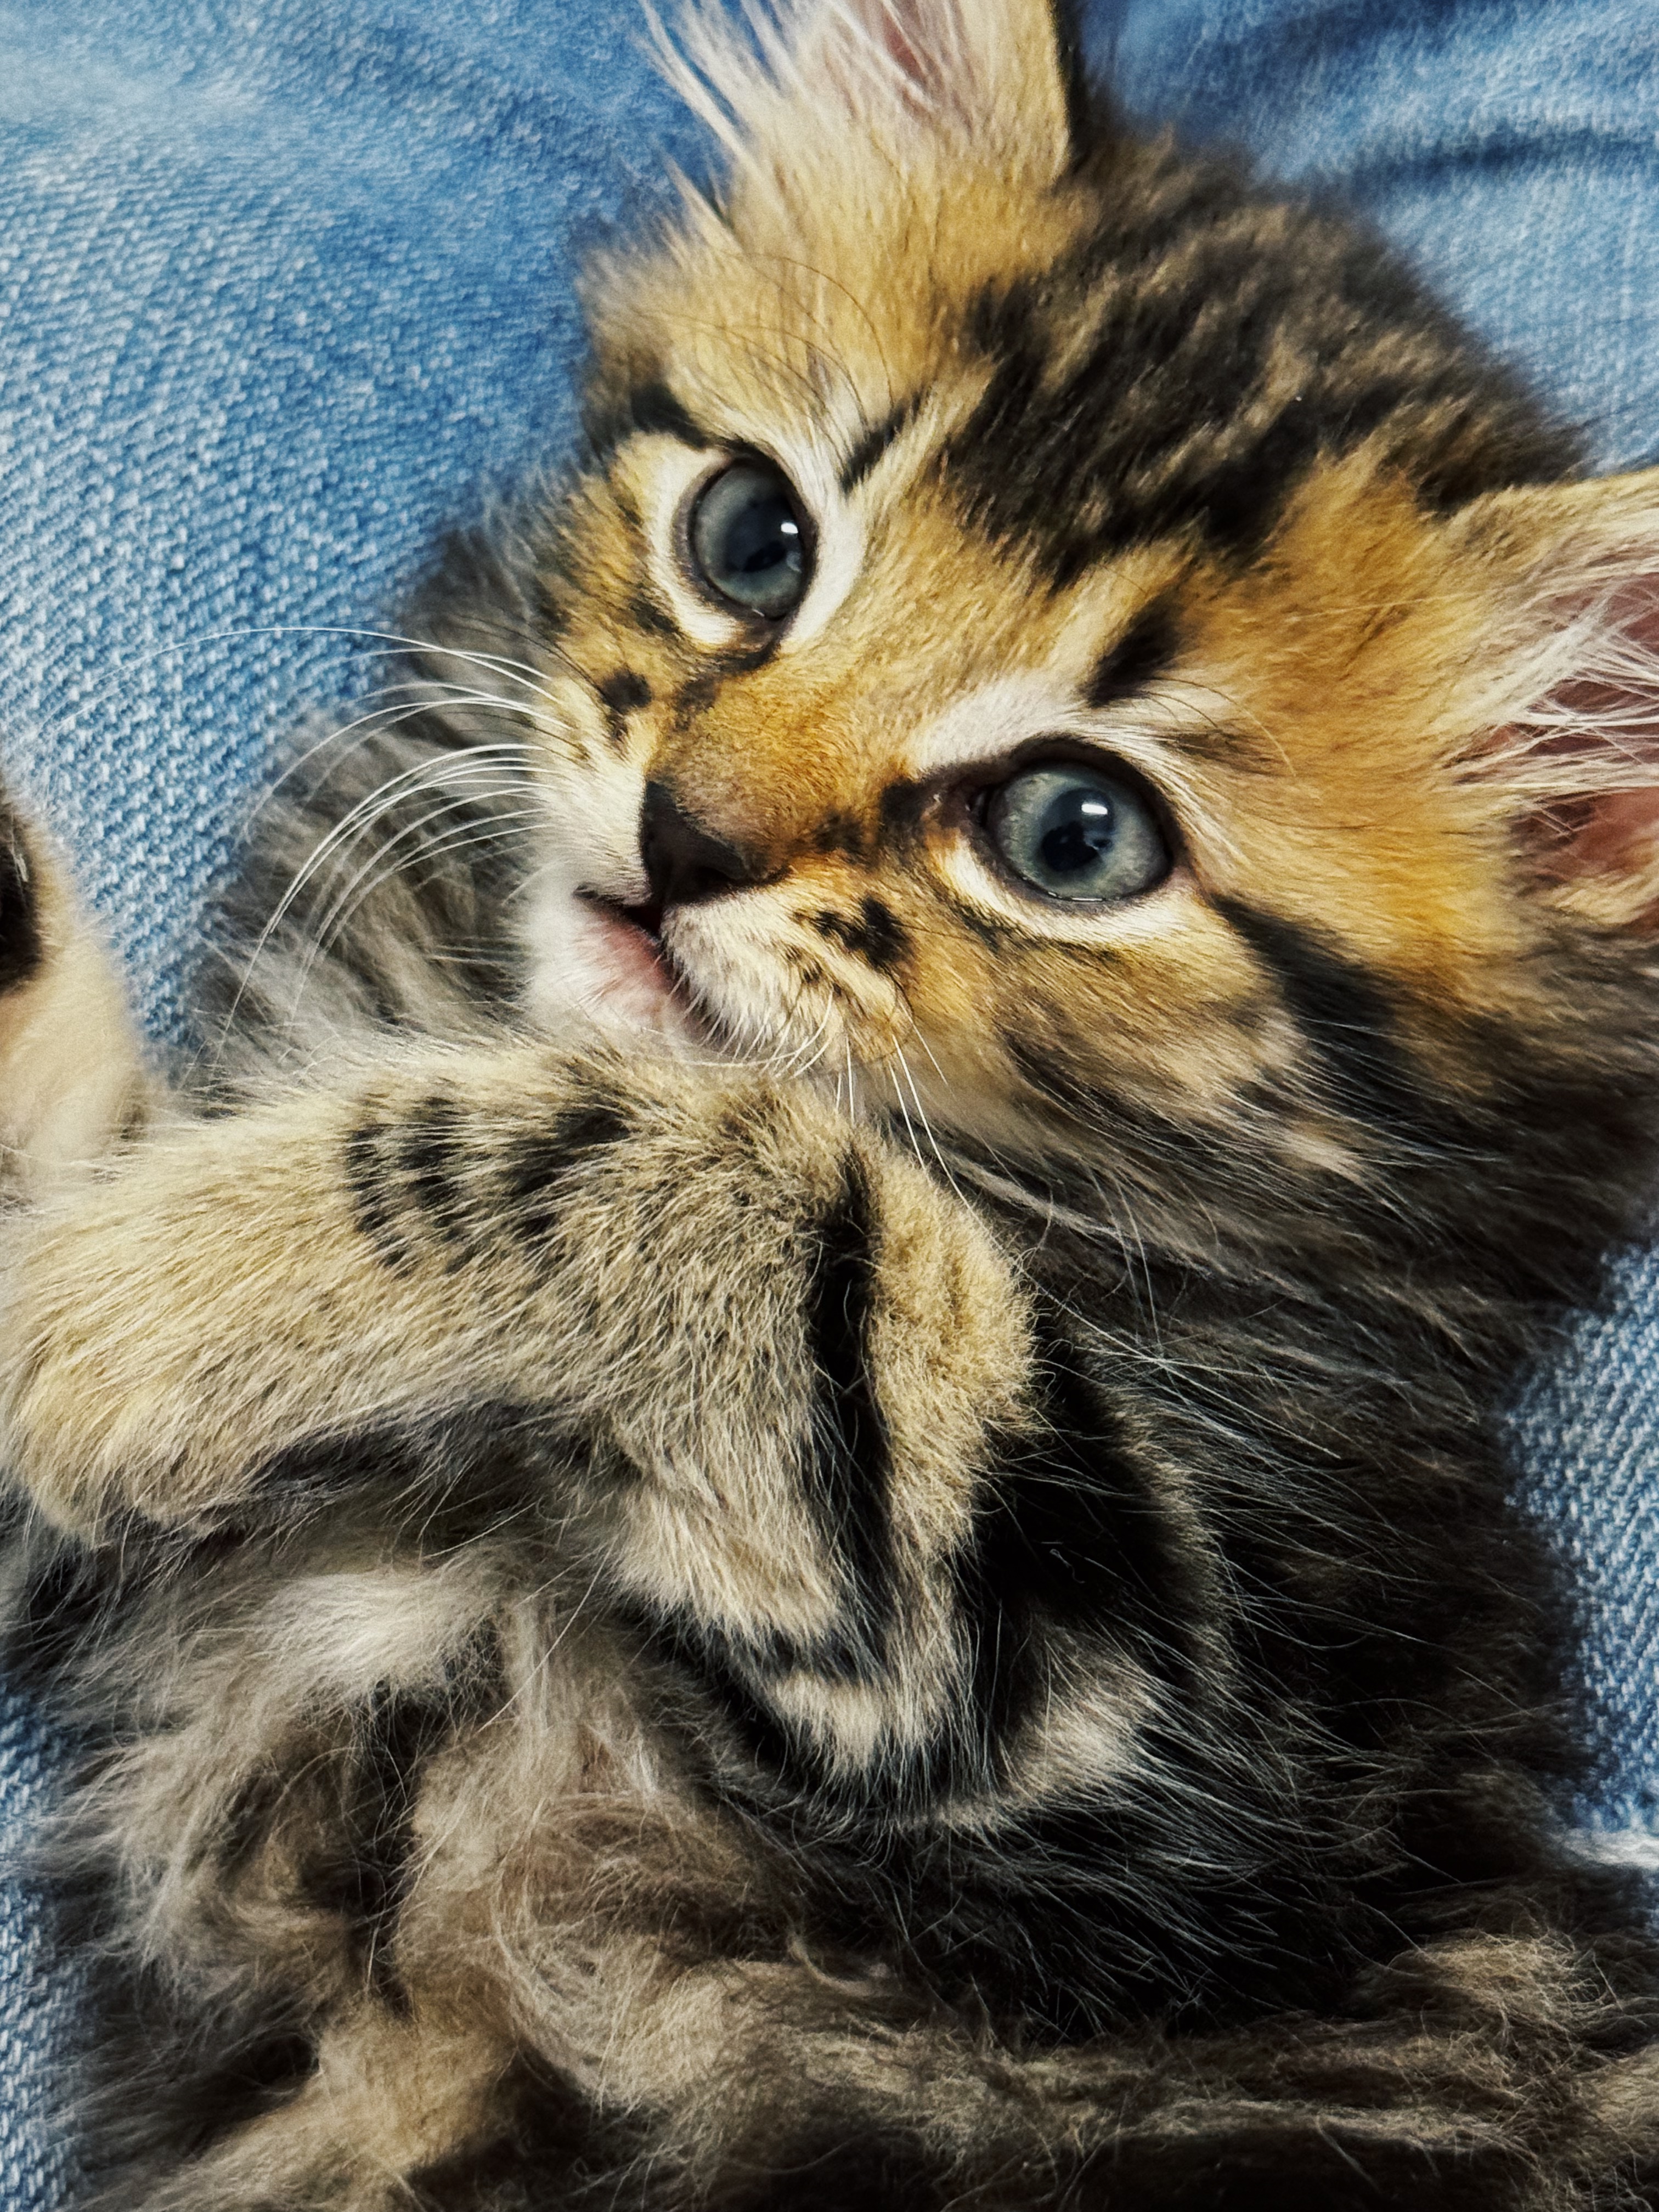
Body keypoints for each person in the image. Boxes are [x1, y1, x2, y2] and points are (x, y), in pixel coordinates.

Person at [0, 0, 1654, 2196]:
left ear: (1569, 848)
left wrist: (648, 1229)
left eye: (1074, 825)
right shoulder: (442, 862)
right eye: (762, 548)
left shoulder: (1235, 1397)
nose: (717, 802)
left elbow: (1075, 1804)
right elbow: (109, 1472)